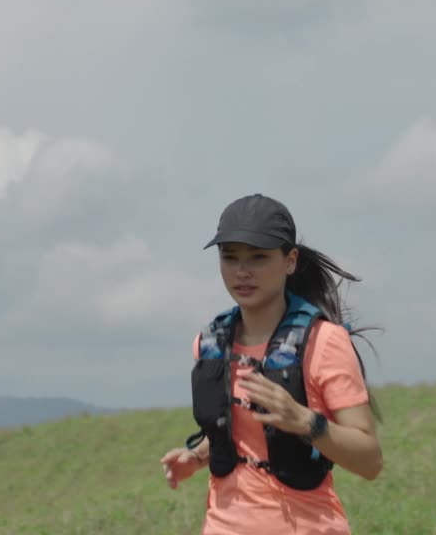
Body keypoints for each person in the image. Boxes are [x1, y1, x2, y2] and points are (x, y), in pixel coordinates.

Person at [160, 193, 384, 534]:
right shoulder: (209, 344)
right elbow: (242, 435)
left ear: (290, 260)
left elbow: (370, 461)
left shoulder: (324, 343)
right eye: (230, 257)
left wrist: (306, 422)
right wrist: (199, 456)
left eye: (258, 258)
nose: (242, 271)